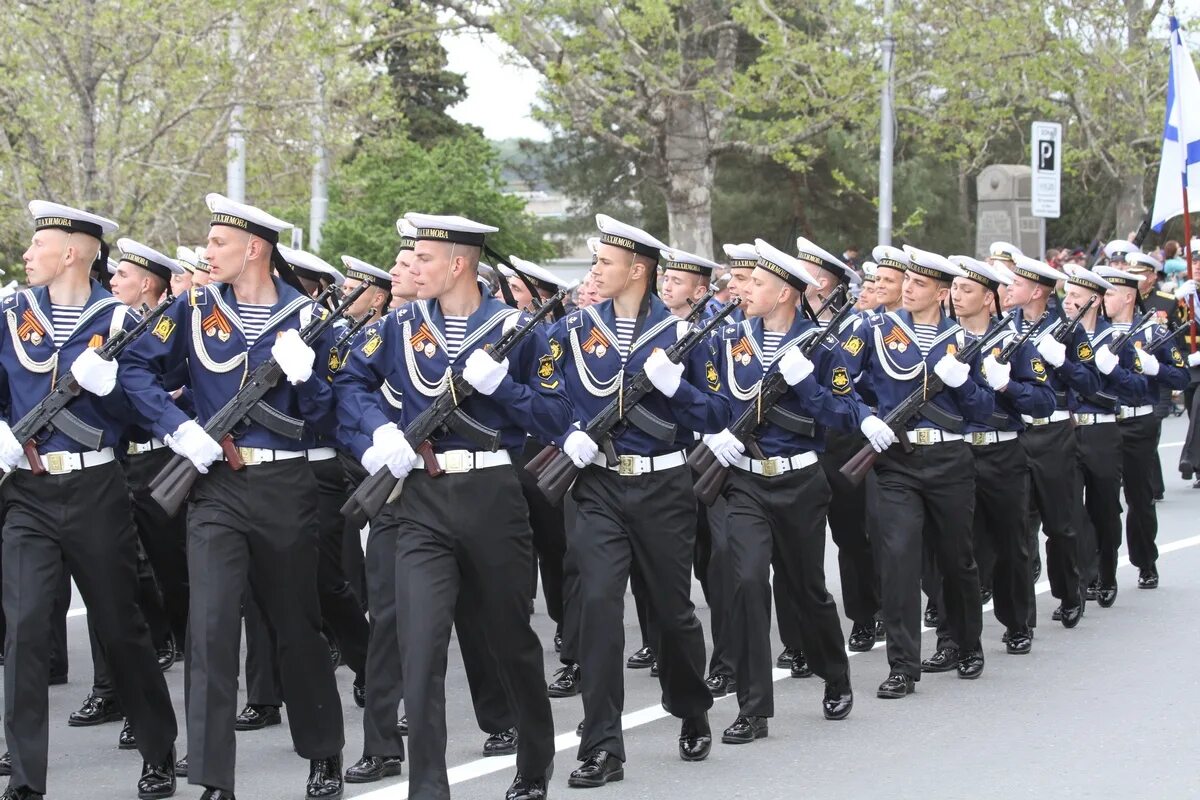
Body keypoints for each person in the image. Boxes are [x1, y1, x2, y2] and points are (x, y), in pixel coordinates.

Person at [117, 193, 345, 800]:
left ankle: (324, 751)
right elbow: (136, 370)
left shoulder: (308, 319)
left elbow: (330, 415)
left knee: (295, 624)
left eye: (218, 243)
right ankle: (215, 776)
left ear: (256, 250)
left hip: (285, 486)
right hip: (214, 486)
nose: (207, 252)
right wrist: (178, 426)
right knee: (211, 627)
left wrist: (309, 377)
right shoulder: (192, 308)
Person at [334, 212, 563, 800]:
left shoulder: (518, 328)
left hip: (492, 497)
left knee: (509, 638)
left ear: (458, 263)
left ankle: (534, 764)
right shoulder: (400, 324)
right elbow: (351, 385)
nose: (411, 269)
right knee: (420, 643)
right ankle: (428, 788)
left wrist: (503, 388)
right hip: (420, 501)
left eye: (425, 258)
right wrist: (379, 434)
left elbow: (559, 417)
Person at [1, 201, 178, 800]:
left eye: (38, 244)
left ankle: (157, 748)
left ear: (72, 252)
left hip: (96, 486)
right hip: (27, 490)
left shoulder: (123, 322)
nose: (27, 254)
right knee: (24, 631)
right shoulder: (9, 313)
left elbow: (140, 416)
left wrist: (115, 398)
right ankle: (25, 779)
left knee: (119, 624)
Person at [546, 215, 727, 788]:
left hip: (663, 488)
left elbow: (720, 417)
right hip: (597, 485)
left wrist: (678, 389)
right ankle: (602, 744)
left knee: (670, 612)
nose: (595, 270)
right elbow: (548, 396)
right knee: (598, 606)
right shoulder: (575, 330)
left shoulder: (686, 336)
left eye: (604, 262)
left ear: (637, 270)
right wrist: (566, 430)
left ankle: (690, 704)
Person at [704, 237, 860, 745]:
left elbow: (843, 416)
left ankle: (835, 675)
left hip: (800, 482)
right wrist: (715, 433)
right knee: (748, 584)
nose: (744, 289)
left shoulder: (823, 346)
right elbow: (714, 401)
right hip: (746, 481)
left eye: (758, 283)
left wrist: (808, 384)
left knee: (805, 589)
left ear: (787, 294)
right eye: (746, 281)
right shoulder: (731, 340)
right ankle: (753, 709)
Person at [839, 245, 993, 698]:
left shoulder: (964, 342)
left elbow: (985, 411)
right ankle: (903, 665)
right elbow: (841, 381)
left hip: (949, 460)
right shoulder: (875, 330)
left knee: (956, 559)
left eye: (919, 284)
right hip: (896, 464)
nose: (907, 289)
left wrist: (964, 381)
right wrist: (864, 416)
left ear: (942, 293)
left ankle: (963, 642)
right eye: (906, 280)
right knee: (899, 560)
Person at [944, 256, 1053, 656]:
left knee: (1011, 544)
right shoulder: (943, 340)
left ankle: (1017, 621)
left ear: (991, 299)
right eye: (954, 288)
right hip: (955, 452)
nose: (957, 295)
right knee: (957, 549)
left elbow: (1043, 401)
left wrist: (1008, 386)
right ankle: (959, 634)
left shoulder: (1012, 343)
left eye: (967, 289)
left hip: (1002, 451)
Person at [1054, 265, 1146, 609]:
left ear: (1092, 301)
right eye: (1067, 293)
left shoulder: (1114, 340)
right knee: (1070, 509)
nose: (1067, 301)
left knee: (1104, 508)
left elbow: (1138, 389)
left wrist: (1113, 370)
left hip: (1103, 430)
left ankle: (1107, 570)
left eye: (1075, 296)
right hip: (1067, 429)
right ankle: (1082, 579)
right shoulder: (1057, 336)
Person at [1096, 265, 1188, 590]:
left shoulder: (1153, 332)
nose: (1103, 298)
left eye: (1108, 292)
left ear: (1128, 296)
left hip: (1139, 422)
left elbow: (1181, 375)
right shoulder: (1095, 333)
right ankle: (1100, 567)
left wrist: (1155, 368)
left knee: (1139, 496)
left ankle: (1145, 560)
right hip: (1103, 423)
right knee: (1101, 498)